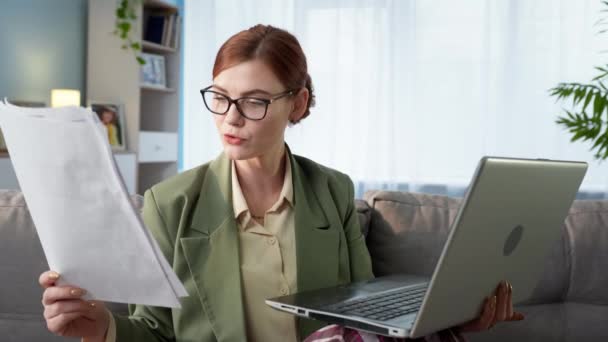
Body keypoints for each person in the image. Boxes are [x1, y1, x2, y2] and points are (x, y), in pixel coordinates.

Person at [38, 25, 523, 342]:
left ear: (297, 104)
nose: (231, 118)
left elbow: (367, 317)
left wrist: (460, 318)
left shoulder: (331, 190)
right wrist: (102, 327)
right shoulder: (170, 203)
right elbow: (154, 329)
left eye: (254, 102)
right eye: (220, 98)